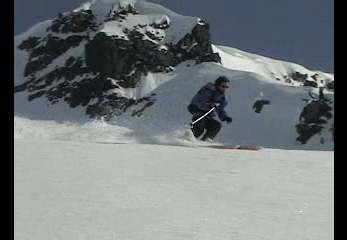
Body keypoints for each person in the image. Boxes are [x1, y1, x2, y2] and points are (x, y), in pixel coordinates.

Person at [187, 76, 232, 141]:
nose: (224, 88)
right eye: (223, 86)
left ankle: (205, 140)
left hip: (207, 115)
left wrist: (225, 117)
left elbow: (220, 109)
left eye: (226, 87)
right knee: (199, 128)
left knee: (216, 125)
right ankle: (187, 138)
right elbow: (199, 102)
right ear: (218, 84)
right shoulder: (208, 90)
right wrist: (209, 105)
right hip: (197, 111)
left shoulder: (222, 97)